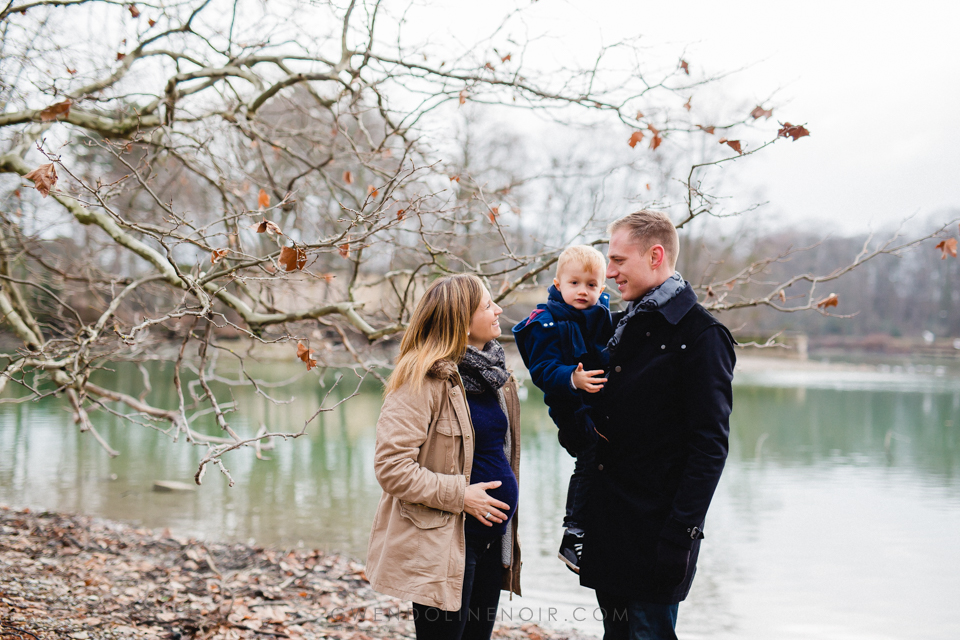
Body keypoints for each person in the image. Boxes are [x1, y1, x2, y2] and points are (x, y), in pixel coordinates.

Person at [578, 210, 736, 640]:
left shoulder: (702, 336)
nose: (609, 273)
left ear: (655, 256)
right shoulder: (621, 326)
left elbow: (710, 449)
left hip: (658, 537)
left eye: (618, 261)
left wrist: (680, 537)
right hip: (610, 527)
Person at [366, 274, 522, 640]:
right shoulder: (420, 380)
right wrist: (462, 495)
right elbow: (391, 468)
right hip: (444, 546)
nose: (498, 309)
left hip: (488, 540)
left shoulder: (495, 376)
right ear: (461, 323)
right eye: (487, 305)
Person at [511, 245, 613, 574]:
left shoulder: (602, 317)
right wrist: (572, 377)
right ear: (558, 284)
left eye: (591, 285)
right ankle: (573, 534)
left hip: (600, 406)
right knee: (590, 456)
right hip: (572, 409)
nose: (583, 291)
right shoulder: (547, 322)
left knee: (606, 460)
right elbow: (542, 370)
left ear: (602, 288)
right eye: (574, 283)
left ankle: (598, 525)